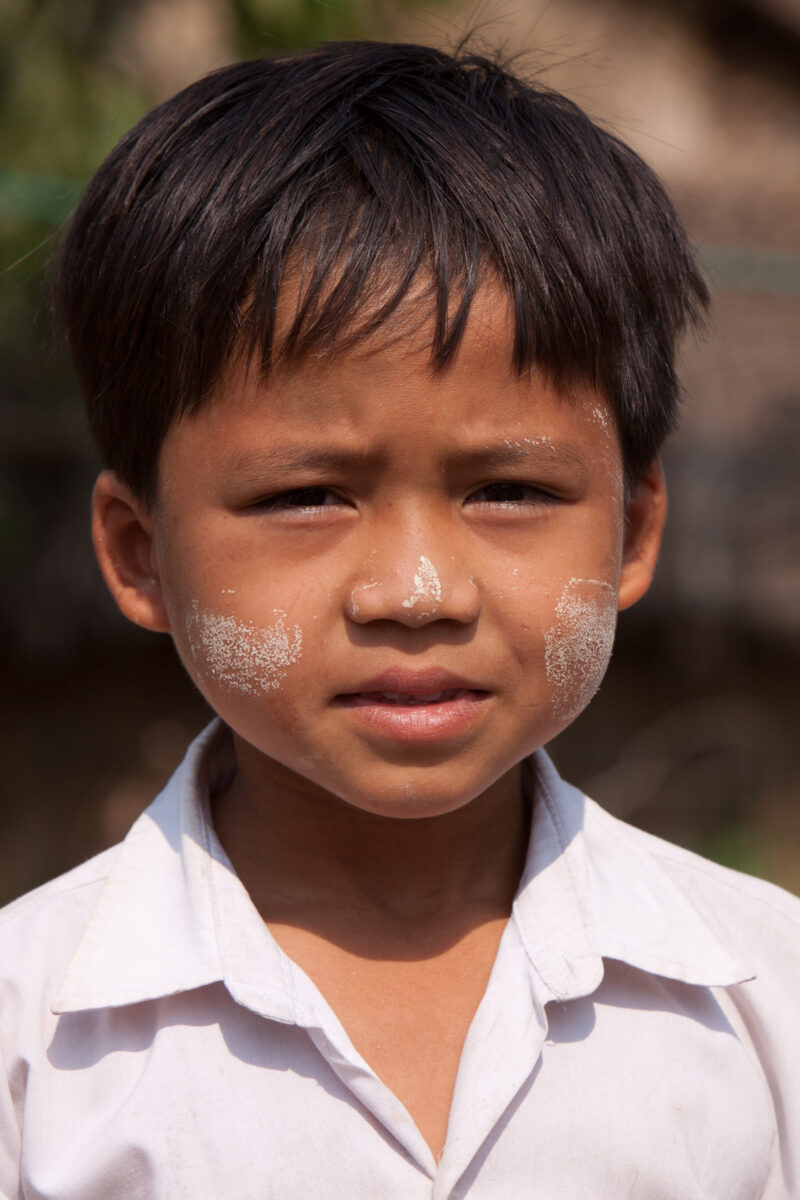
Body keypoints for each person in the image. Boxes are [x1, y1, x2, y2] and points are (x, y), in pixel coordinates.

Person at [1, 39, 798, 1199]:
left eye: (508, 492)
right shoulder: (37, 1041)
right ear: (141, 558)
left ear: (629, 534)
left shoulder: (761, 999)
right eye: (304, 497)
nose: (417, 592)